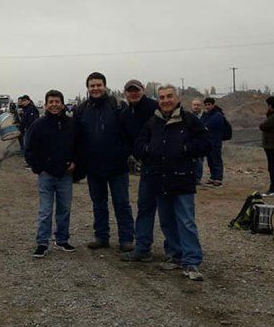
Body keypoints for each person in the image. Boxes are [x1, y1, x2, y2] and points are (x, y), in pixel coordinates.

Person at [133, 85, 210, 281]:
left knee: (185, 221)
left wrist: (185, 149)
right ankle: (175, 255)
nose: (165, 100)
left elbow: (205, 143)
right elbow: (139, 144)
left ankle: (191, 261)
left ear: (177, 98)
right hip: (160, 179)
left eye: (169, 96)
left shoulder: (189, 120)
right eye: (161, 97)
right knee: (167, 221)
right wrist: (148, 150)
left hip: (182, 178)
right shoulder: (153, 121)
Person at [74, 72, 134, 252]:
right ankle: (101, 236)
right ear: (88, 88)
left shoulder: (117, 106)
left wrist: (124, 153)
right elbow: (77, 137)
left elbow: (128, 133)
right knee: (98, 203)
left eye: (98, 85)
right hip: (93, 167)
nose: (95, 88)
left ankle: (126, 239)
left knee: (121, 203)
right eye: (92, 86)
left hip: (117, 166)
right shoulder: (82, 109)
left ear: (105, 86)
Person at [25, 90, 76, 258]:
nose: (54, 104)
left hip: (65, 175)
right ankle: (42, 242)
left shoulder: (71, 124)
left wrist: (75, 162)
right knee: (45, 210)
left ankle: (62, 239)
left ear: (62, 104)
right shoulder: (38, 125)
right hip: (46, 175)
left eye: (57, 101)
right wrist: (38, 168)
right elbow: (30, 149)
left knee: (64, 209)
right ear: (46, 105)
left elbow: (79, 146)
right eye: (51, 102)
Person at [119, 80, 162, 263]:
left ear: (143, 91)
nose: (133, 93)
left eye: (136, 90)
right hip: (147, 167)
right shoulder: (125, 114)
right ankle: (142, 248)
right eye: (130, 91)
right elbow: (126, 139)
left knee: (172, 210)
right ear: (126, 93)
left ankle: (176, 251)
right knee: (145, 207)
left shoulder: (156, 107)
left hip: (168, 166)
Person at [201, 97, 224, 188]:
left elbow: (206, 126)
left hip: (215, 142)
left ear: (213, 105)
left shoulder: (217, 115)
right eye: (206, 105)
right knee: (210, 160)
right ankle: (213, 177)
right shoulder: (207, 115)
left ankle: (218, 179)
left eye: (209, 105)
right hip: (208, 142)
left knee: (216, 160)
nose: (207, 107)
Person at [190, 99, 205, 185]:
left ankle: (197, 178)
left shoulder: (205, 116)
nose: (196, 107)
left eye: (198, 105)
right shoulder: (188, 116)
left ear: (201, 106)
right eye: (194, 105)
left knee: (199, 160)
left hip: (200, 141)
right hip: (190, 141)